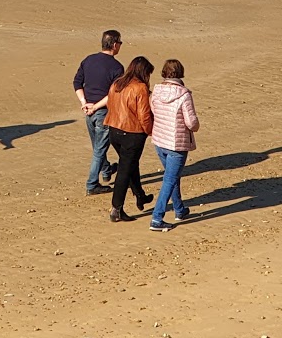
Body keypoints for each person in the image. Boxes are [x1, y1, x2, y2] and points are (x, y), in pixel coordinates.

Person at [148, 59, 200, 233]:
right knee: (170, 179)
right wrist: (196, 126)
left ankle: (179, 209)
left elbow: (154, 110)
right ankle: (157, 218)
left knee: (172, 176)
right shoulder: (184, 94)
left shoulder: (156, 90)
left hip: (160, 140)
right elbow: (191, 122)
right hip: (176, 144)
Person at [73, 30, 125, 196]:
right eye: (120, 43)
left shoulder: (89, 60)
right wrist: (93, 106)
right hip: (101, 111)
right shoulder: (117, 67)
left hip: (89, 111)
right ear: (115, 44)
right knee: (99, 149)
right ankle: (92, 184)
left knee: (98, 146)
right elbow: (114, 94)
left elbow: (77, 83)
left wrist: (85, 104)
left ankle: (106, 170)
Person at [105, 56, 155, 222]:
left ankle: (140, 195)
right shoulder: (139, 88)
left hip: (114, 130)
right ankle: (116, 208)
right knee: (125, 170)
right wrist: (150, 131)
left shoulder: (117, 83)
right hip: (132, 133)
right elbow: (144, 116)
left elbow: (110, 105)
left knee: (130, 164)